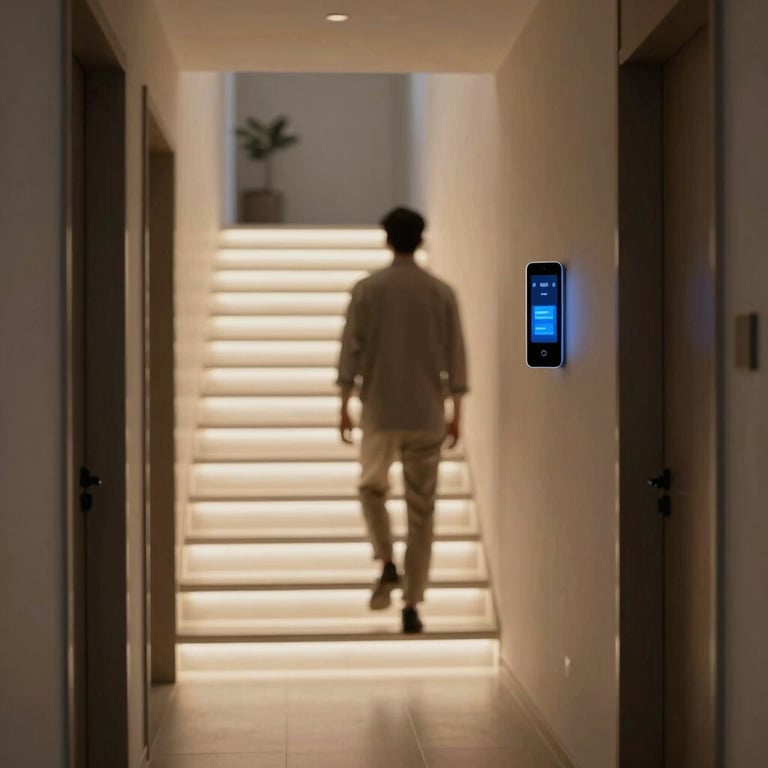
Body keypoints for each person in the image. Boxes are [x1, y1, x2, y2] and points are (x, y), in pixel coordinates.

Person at [336, 207, 468, 634]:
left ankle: (387, 560)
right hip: (427, 413)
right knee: (421, 512)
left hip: (379, 410)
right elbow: (456, 357)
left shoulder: (368, 290)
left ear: (387, 239)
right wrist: (455, 414)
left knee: (370, 487)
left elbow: (350, 349)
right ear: (421, 238)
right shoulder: (441, 292)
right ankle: (412, 604)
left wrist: (343, 401)